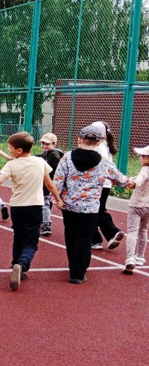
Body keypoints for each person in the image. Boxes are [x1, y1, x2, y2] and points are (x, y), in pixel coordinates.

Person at [0, 132, 63, 291]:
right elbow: (50, 184)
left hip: (17, 207)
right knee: (31, 241)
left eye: (10, 147)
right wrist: (58, 198)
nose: (8, 149)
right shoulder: (40, 162)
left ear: (19, 150)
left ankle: (15, 263)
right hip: (35, 207)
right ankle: (22, 265)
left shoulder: (12, 165)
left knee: (18, 236)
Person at [52, 125, 128, 284]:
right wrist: (132, 182)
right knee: (84, 239)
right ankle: (78, 272)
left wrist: (56, 198)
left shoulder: (67, 157)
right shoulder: (104, 162)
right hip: (90, 207)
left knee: (71, 236)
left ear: (79, 139)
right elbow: (120, 179)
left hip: (69, 205)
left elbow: (57, 181)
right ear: (99, 142)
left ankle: (73, 266)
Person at [89, 121, 125, 250]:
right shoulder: (105, 144)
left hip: (99, 183)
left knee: (94, 210)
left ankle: (110, 233)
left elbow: (103, 161)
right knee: (97, 209)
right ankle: (101, 237)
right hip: (105, 183)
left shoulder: (99, 146)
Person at [123, 145, 149, 275]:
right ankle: (140, 256)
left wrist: (133, 183)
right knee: (143, 230)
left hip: (136, 205)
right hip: (148, 206)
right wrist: (131, 179)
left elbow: (141, 177)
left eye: (142, 156)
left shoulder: (145, 169)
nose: (140, 158)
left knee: (132, 231)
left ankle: (130, 258)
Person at [38, 133, 64, 236]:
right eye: (43, 143)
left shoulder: (53, 154)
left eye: (47, 144)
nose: (44, 146)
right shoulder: (47, 153)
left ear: (54, 144)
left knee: (45, 203)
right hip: (48, 182)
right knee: (46, 203)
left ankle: (46, 224)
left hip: (50, 183)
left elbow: (59, 167)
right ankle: (44, 221)